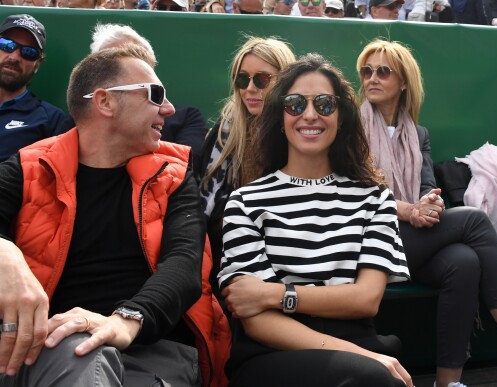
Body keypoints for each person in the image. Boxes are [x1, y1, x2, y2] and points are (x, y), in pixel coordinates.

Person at [0, 45, 229, 387]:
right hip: (39, 351)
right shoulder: (26, 169)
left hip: (148, 352)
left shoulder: (175, 178)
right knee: (75, 348)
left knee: (81, 350)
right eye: (156, 95)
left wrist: (125, 320)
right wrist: (5, 255)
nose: (168, 109)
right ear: (105, 101)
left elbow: (183, 267)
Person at [356, 39, 497, 387]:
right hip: (367, 241)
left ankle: (448, 382)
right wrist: (408, 210)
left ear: (403, 81)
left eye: (383, 71)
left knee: (464, 262)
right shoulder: (350, 129)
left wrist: (431, 203)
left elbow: (426, 188)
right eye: (366, 71)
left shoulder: (418, 133)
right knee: (474, 219)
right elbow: (355, 193)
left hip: (408, 240)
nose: (372, 78)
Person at [216, 52, 412, 387]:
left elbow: (366, 299)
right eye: (294, 104)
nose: (309, 114)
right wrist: (362, 357)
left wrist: (274, 294)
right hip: (273, 355)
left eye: (324, 104)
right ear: (280, 115)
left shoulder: (374, 197)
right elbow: (257, 321)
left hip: (362, 349)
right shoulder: (245, 202)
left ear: (341, 117)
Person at [200, 36, 295, 299]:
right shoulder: (226, 130)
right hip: (230, 252)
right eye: (242, 79)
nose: (249, 88)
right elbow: (204, 208)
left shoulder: (303, 130)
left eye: (262, 79)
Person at [88, 23, 208, 171]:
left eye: (132, 57)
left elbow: (185, 168)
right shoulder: (79, 123)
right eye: (109, 65)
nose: (122, 67)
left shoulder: (186, 117)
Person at [0, 14, 69, 163]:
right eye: (6, 45)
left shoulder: (51, 119)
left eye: (28, 52)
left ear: (37, 65)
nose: (14, 57)